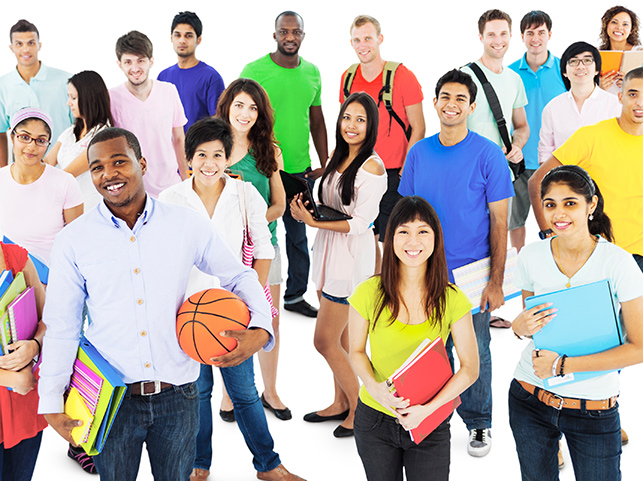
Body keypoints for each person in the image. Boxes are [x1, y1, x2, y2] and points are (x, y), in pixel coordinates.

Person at [37, 127, 283, 481]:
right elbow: (62, 326)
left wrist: (261, 327)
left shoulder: (184, 224)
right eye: (97, 167)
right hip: (111, 402)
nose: (108, 174)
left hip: (179, 398)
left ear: (143, 163)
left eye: (119, 161)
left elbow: (238, 275)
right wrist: (51, 401)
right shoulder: (73, 240)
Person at [159, 118, 303, 481]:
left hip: (231, 314)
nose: (210, 163)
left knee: (245, 393)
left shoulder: (245, 194)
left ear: (228, 159)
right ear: (189, 158)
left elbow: (264, 250)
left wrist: (248, 308)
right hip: (186, 315)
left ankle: (269, 465)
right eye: (202, 154)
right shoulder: (170, 199)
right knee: (198, 393)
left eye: (218, 155)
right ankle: (199, 463)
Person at [399, 69, 514, 457]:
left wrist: (495, 282)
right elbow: (405, 217)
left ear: (472, 106)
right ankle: (433, 416)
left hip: (472, 274)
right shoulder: (418, 153)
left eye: (460, 99)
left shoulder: (488, 154)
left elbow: (500, 220)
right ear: (434, 103)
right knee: (427, 349)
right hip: (422, 271)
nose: (451, 104)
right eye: (445, 97)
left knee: (474, 349)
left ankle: (479, 423)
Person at [510, 165, 643, 480]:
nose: (559, 213)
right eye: (550, 204)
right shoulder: (530, 257)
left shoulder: (619, 263)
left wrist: (563, 366)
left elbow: (639, 348)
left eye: (570, 202)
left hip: (593, 408)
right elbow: (534, 331)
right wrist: (518, 328)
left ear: (591, 205)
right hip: (529, 397)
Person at [348, 196, 479, 481]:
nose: (413, 241)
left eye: (423, 232)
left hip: (430, 421)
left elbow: (470, 368)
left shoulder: (453, 299)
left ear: (435, 239)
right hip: (375, 419)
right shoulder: (368, 292)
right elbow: (356, 350)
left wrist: (428, 411)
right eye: (403, 231)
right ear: (390, 237)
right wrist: (376, 389)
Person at [290, 92, 386, 438]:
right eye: (347, 117)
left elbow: (361, 223)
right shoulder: (337, 157)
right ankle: (340, 401)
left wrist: (314, 224)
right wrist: (306, 208)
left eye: (360, 119)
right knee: (342, 341)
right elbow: (329, 203)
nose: (352, 125)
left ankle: (361, 408)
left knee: (324, 341)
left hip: (351, 261)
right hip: (329, 253)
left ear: (371, 125)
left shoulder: (372, 166)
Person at [241, 10, 329, 318]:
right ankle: (246, 288)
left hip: (298, 169)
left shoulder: (313, 72)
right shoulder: (254, 69)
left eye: (296, 32)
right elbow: (239, 114)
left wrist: (325, 162)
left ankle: (293, 296)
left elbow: (317, 121)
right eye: (284, 31)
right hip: (260, 166)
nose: (290, 37)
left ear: (303, 36)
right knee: (255, 228)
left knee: (297, 235)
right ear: (275, 34)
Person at [215, 78, 289, 422]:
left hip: (264, 249)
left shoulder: (269, 150)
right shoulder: (213, 148)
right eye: (240, 105)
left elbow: (280, 203)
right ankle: (230, 394)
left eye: (253, 108)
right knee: (229, 319)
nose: (245, 114)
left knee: (268, 318)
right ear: (228, 106)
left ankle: (270, 391)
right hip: (223, 253)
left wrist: (252, 221)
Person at [340, 14, 425, 264]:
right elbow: (346, 126)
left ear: (380, 39)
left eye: (368, 38)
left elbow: (419, 127)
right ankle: (375, 288)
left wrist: (406, 171)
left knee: (391, 236)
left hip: (393, 172)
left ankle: (393, 289)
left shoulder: (402, 76)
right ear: (352, 43)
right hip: (359, 170)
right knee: (365, 233)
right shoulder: (348, 77)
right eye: (357, 40)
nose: (362, 45)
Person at [508, 11, 565, 252]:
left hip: (555, 158)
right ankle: (520, 262)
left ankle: (559, 261)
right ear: (522, 36)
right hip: (518, 158)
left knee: (558, 219)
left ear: (549, 34)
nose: (535, 38)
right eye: (530, 33)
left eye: (541, 32)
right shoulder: (509, 73)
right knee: (515, 220)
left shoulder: (565, 69)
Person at [110, 30, 188, 198]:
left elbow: (179, 139)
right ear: (119, 64)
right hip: (133, 189)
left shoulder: (169, 91)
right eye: (128, 62)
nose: (135, 68)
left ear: (151, 61)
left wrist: (186, 182)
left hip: (171, 185)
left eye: (141, 60)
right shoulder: (111, 98)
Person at [0, 108, 83, 265]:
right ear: (12, 137)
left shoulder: (65, 183)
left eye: (41, 140)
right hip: (8, 281)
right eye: (25, 137)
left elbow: (77, 241)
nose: (31, 147)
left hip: (52, 278)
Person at [0, 242, 46, 481]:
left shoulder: (17, 258)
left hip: (23, 405)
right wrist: (11, 377)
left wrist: (35, 345)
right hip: (20, 382)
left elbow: (50, 319)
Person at [461, 9, 529, 171]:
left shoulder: (514, 79)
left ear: (510, 36)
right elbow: (450, 125)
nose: (498, 40)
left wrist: (517, 146)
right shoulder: (464, 77)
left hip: (503, 172)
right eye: (491, 34)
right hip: (469, 171)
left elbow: (522, 126)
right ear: (481, 37)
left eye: (503, 34)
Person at [0, 19, 72, 167]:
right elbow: (1, 132)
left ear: (39, 45)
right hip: (22, 173)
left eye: (31, 43)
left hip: (64, 167)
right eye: (19, 44)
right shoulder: (3, 85)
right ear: (11, 47)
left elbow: (80, 124)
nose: (26, 49)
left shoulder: (65, 80)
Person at [539, 42, 622, 164]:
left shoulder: (615, 105)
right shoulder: (552, 108)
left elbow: (621, 147)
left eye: (587, 61)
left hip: (605, 179)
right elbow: (545, 152)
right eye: (573, 61)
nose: (580, 66)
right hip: (564, 179)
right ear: (565, 72)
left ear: (596, 70)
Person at [45, 70, 114, 211]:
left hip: (90, 210)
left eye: (73, 98)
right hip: (68, 208)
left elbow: (67, 175)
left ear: (90, 98)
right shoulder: (70, 132)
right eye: (69, 97)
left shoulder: (103, 136)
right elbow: (46, 163)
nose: (68, 103)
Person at [158, 11, 225, 132]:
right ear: (171, 38)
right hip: (168, 147)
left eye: (188, 35)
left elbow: (218, 121)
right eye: (177, 35)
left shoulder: (211, 77)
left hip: (198, 147)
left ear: (198, 40)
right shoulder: (163, 76)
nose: (182, 41)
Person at [598, 6, 642, 94]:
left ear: (631, 30)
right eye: (614, 22)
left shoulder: (640, 53)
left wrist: (632, 83)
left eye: (625, 24)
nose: (619, 27)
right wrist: (599, 88)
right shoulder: (596, 53)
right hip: (605, 105)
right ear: (606, 25)